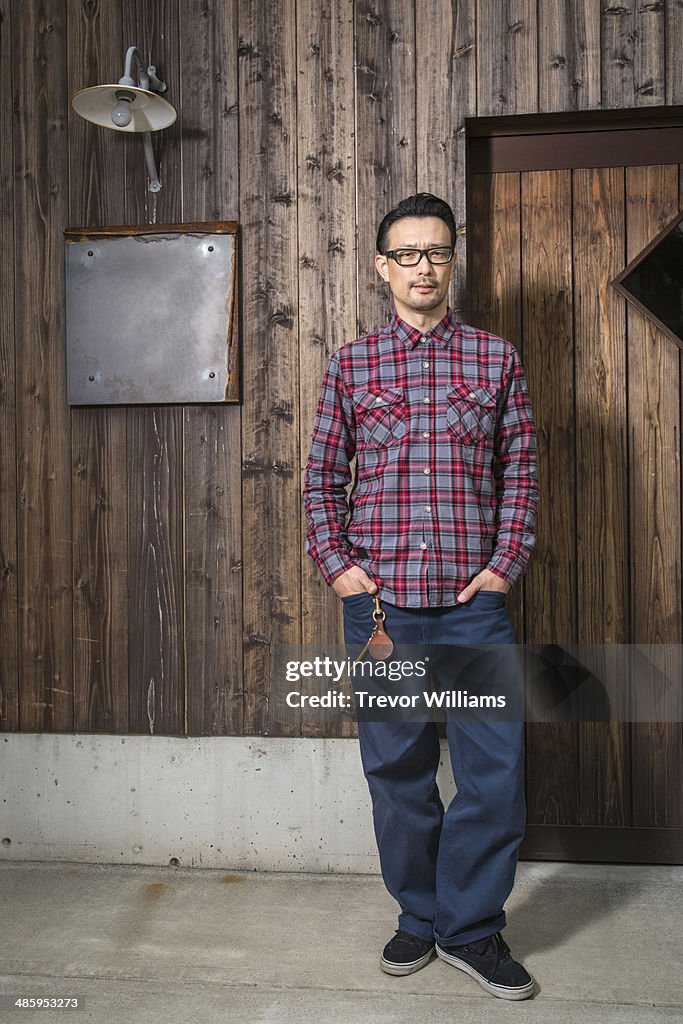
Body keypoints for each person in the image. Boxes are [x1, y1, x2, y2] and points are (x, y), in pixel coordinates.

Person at [303, 193, 539, 1001]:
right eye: (406, 254)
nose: (423, 267)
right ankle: (420, 916)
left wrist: (503, 565)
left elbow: (522, 474)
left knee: (492, 773)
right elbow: (319, 480)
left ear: (452, 260)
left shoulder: (495, 359)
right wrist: (338, 566)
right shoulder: (352, 364)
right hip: (381, 607)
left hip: (473, 602)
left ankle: (471, 930)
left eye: (436, 252)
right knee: (397, 772)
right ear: (382, 267)